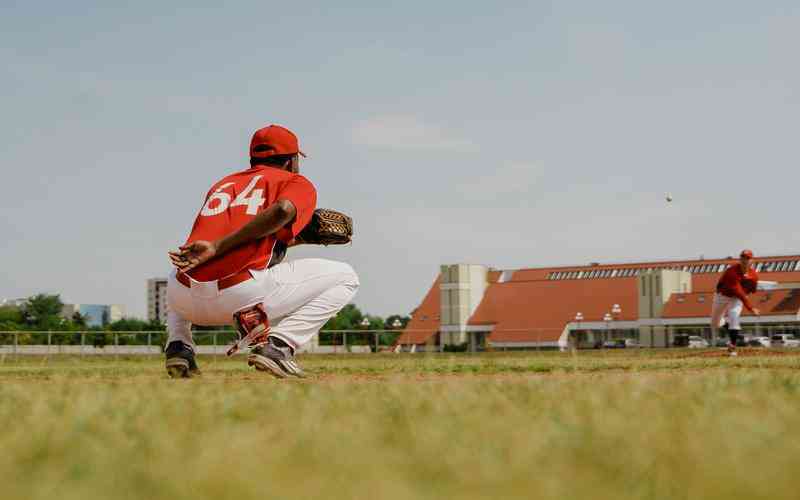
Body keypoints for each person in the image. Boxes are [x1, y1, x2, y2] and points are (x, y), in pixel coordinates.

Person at [165, 124, 359, 378]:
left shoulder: (224, 184)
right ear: (291, 160)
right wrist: (217, 247)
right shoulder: (296, 181)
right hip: (238, 297)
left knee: (181, 268)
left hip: (182, 301)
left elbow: (241, 242)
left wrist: (294, 239)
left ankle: (179, 346)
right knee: (346, 277)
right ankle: (279, 346)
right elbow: (282, 210)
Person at [711, 249, 760, 356]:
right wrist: (751, 308)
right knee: (715, 323)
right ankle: (726, 324)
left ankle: (732, 347)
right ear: (740, 259)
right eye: (743, 257)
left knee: (734, 316)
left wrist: (751, 289)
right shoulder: (732, 272)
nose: (745, 260)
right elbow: (738, 291)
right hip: (722, 296)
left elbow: (752, 290)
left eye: (748, 258)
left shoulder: (754, 275)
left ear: (752, 261)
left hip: (737, 298)